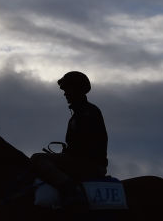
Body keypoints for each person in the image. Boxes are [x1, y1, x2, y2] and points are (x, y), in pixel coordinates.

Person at [30, 71, 108, 211]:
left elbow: (87, 145)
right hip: (85, 161)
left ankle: (72, 191)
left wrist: (67, 155)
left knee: (37, 159)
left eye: (67, 89)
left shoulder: (87, 113)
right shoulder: (81, 113)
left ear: (77, 89)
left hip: (89, 164)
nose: (65, 93)